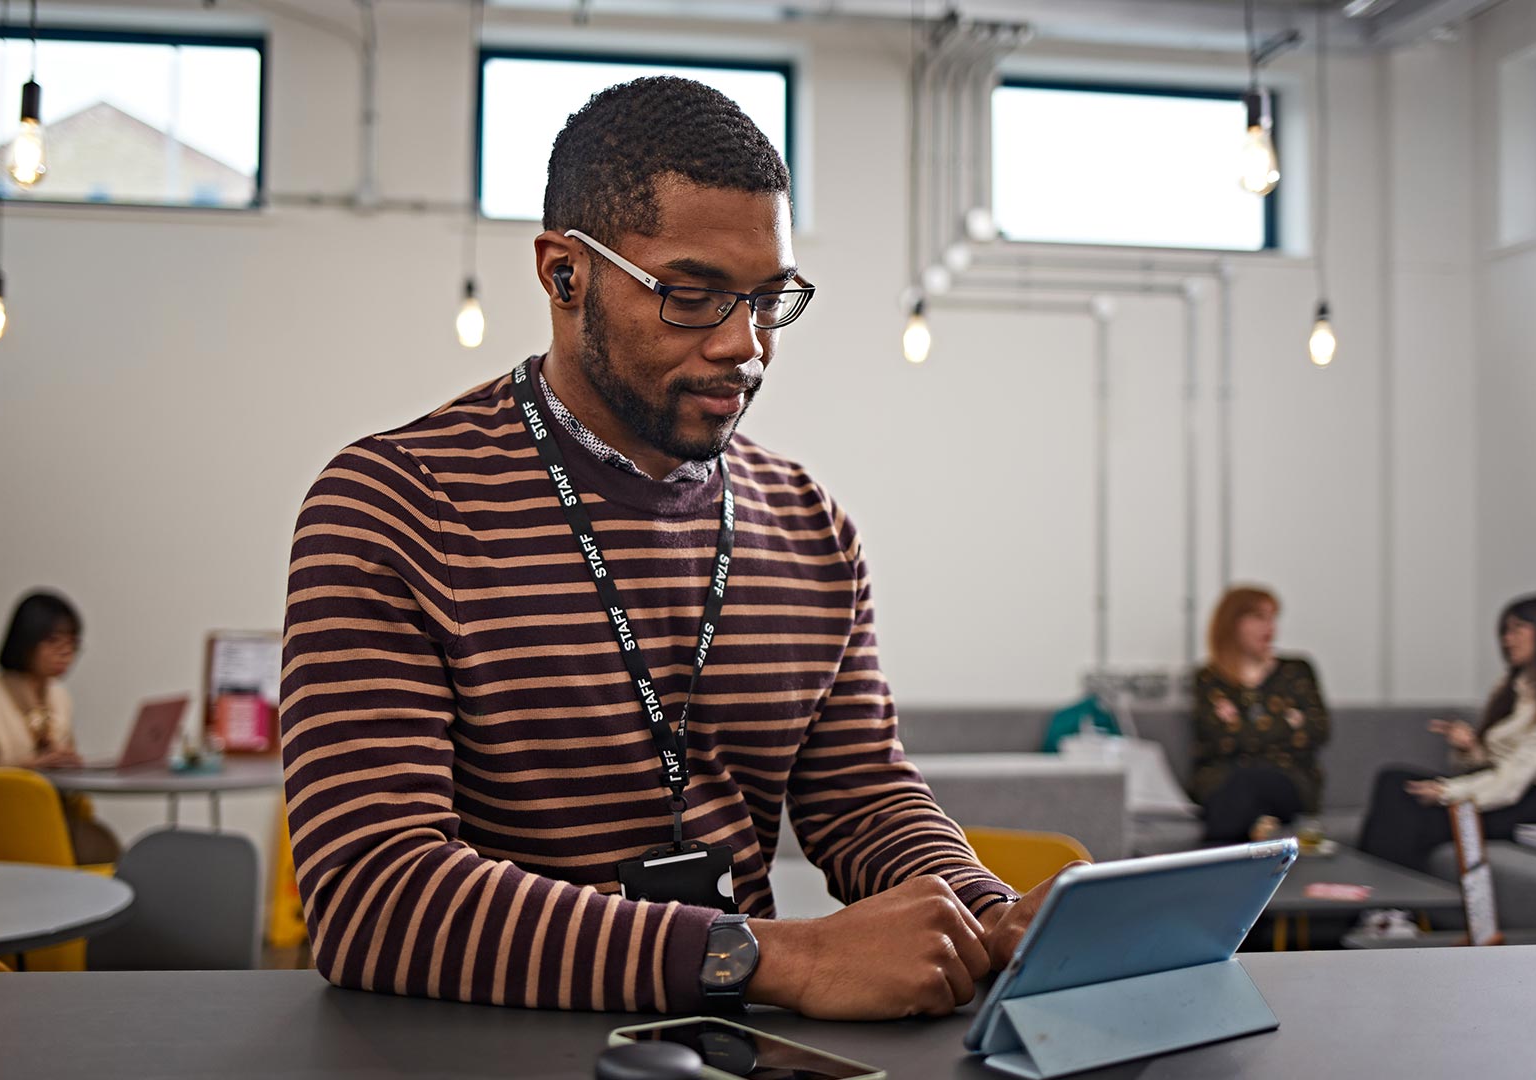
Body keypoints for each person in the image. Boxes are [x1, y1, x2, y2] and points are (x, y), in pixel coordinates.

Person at [281, 76, 1069, 1022]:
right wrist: (774, 959)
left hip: (738, 1047)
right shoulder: (397, 505)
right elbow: (373, 899)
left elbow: (862, 796)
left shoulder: (808, 524)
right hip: (491, 1048)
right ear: (564, 274)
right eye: (692, 296)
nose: (747, 346)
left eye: (769, 300)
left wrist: (989, 915)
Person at [1357, 594, 1536, 872]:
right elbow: (1490, 762)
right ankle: (1378, 903)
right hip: (1489, 790)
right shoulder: (1514, 688)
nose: (1507, 640)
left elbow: (1513, 781)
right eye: (1505, 631)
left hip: (1519, 805)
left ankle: (1383, 906)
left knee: (1407, 814)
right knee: (1393, 781)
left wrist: (1447, 791)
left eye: (1517, 630)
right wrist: (1468, 747)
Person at [0, 590, 118, 864]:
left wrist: (68, 762)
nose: (65, 652)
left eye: (73, 643)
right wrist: (27, 767)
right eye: (53, 641)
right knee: (93, 851)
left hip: (51, 815)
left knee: (107, 848)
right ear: (25, 641)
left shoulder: (60, 696)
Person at [1189, 586, 1331, 844]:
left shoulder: (1296, 671)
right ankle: (1256, 830)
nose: (1270, 628)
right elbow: (1217, 740)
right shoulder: (1209, 678)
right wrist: (1286, 722)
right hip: (1222, 780)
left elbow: (1318, 731)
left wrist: (1239, 725)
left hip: (1287, 779)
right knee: (1237, 789)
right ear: (1232, 623)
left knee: (1250, 784)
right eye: (1258, 617)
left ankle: (1213, 870)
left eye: (1272, 617)